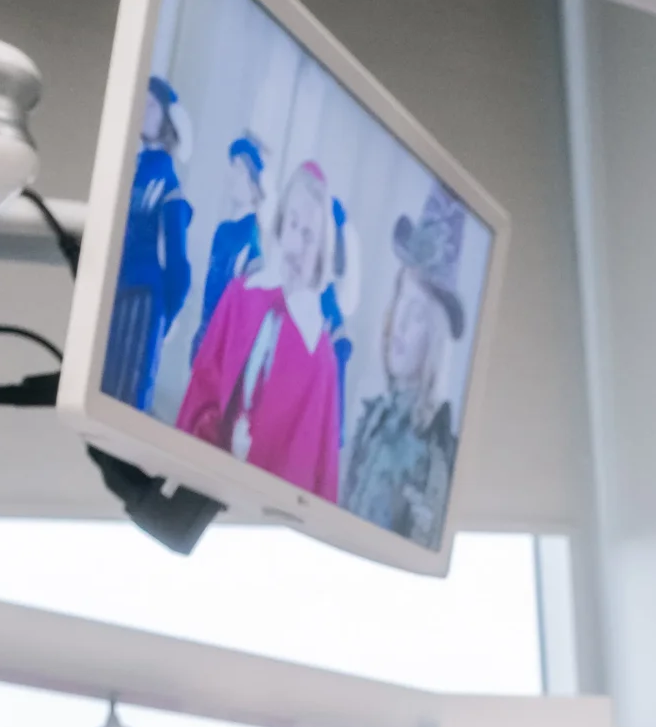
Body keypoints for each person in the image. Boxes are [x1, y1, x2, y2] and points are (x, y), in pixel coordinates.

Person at [177, 160, 344, 500]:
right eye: (292, 225)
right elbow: (204, 386)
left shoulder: (321, 357)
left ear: (320, 253)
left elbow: (315, 467)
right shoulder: (241, 297)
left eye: (308, 235)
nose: (296, 245)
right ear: (280, 227)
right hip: (210, 481)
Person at [342, 186, 468, 545]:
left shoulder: (434, 454)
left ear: (435, 337)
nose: (399, 322)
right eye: (400, 299)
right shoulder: (375, 418)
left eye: (417, 315)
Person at [100, 77, 193, 411]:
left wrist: (160, 319)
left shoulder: (167, 182)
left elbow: (179, 267)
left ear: (167, 118)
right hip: (117, 293)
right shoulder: (135, 167)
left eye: (152, 106)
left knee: (122, 398)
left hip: (140, 301)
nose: (143, 110)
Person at [193, 135, 265, 348]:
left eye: (240, 170)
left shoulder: (250, 240)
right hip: (205, 341)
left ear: (254, 183)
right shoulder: (224, 230)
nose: (232, 176)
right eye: (232, 167)